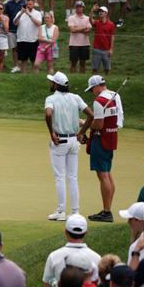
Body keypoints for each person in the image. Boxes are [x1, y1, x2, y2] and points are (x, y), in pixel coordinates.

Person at [44, 72, 93, 222]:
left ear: (57, 85)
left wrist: (52, 132)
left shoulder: (51, 99)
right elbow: (91, 115)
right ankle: (75, 211)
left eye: (52, 82)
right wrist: (81, 133)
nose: (50, 84)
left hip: (60, 141)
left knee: (60, 177)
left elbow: (48, 114)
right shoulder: (76, 98)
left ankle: (60, 211)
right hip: (74, 141)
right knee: (72, 177)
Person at [78, 75, 123, 223]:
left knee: (102, 175)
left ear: (97, 86)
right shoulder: (115, 96)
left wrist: (84, 123)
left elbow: (98, 124)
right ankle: (107, 209)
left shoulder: (99, 101)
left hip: (100, 139)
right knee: (108, 174)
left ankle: (106, 211)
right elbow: (119, 121)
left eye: (92, 89)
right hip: (112, 137)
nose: (92, 92)